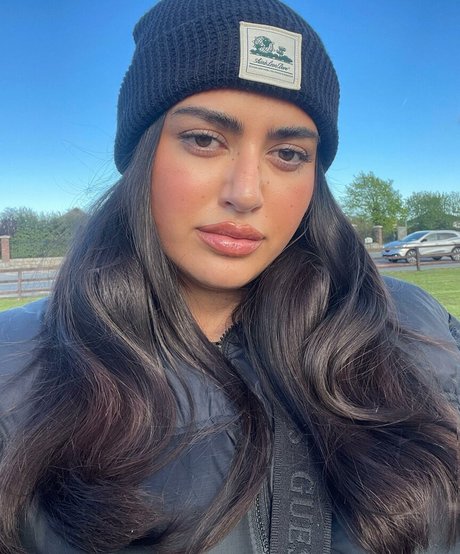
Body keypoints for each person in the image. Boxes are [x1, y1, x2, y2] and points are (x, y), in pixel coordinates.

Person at [0, 0, 459, 552]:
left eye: (287, 153)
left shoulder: (415, 329)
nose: (246, 193)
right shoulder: (17, 368)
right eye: (204, 140)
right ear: (142, 154)